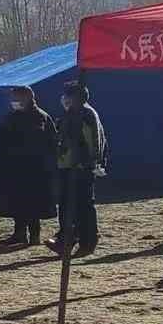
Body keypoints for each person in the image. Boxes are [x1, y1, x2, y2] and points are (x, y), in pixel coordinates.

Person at [0, 86, 55, 248]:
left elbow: (41, 141)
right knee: (17, 202)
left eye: (16, 98)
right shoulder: (14, 116)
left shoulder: (39, 116)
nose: (13, 102)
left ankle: (34, 235)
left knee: (32, 202)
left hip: (33, 168)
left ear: (27, 98)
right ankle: (19, 234)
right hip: (15, 167)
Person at [49, 81, 106, 258]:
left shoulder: (86, 115)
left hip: (80, 167)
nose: (64, 99)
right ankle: (65, 239)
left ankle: (87, 242)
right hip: (67, 166)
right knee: (66, 205)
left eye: (68, 95)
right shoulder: (72, 114)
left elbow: (92, 143)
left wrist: (86, 162)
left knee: (83, 206)